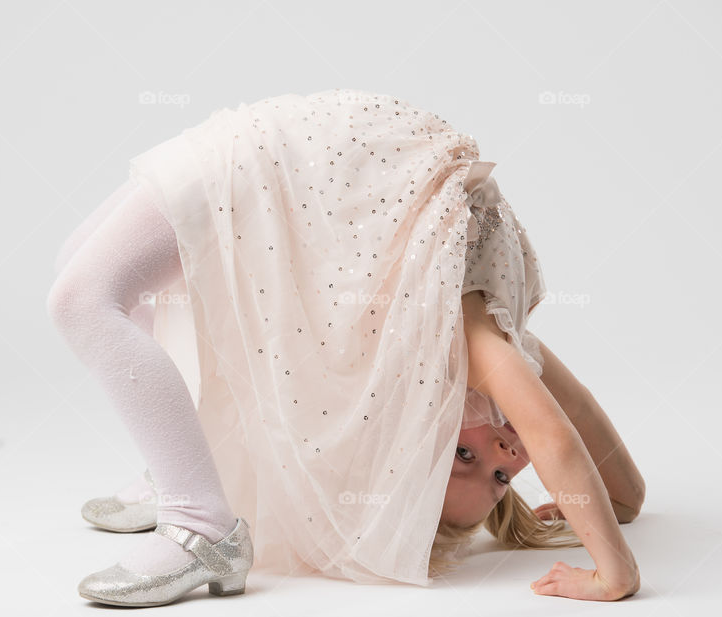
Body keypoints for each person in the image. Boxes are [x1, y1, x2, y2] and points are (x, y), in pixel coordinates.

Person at [47, 87, 644, 607]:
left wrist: (617, 501)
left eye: (466, 457)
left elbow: (570, 426)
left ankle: (189, 487)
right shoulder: (480, 352)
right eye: (503, 478)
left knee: (81, 282)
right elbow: (565, 429)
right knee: (84, 294)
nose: (508, 452)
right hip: (309, 162)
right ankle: (199, 513)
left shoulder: (457, 348)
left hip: (304, 160)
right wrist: (615, 562)